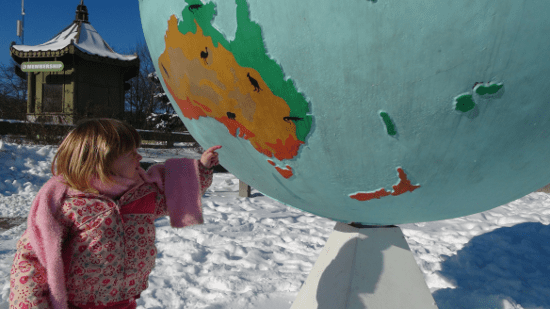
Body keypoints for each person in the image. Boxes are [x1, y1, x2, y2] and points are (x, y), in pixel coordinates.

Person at [9, 118, 221, 309]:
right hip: (80, 303)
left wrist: (200, 169)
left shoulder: (141, 192)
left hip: (125, 299)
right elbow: (32, 256)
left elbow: (173, 194)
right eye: (131, 153)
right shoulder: (68, 204)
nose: (139, 156)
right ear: (101, 161)